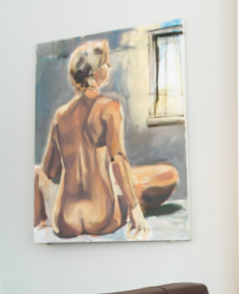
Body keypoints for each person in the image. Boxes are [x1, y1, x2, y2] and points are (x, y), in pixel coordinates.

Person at [34, 39, 178, 240]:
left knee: (36, 173)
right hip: (102, 218)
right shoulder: (110, 107)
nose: (109, 67)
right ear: (95, 73)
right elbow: (118, 159)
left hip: (65, 221)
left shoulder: (60, 116)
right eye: (106, 64)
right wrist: (134, 210)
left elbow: (50, 170)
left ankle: (38, 222)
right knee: (161, 177)